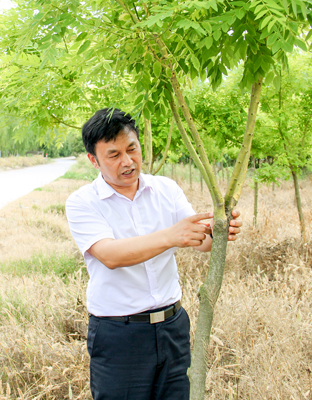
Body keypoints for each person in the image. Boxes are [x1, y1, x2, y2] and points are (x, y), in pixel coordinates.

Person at [65, 108, 242, 399]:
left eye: (132, 149)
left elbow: (200, 241)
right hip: (119, 334)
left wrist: (217, 230)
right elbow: (110, 255)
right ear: (93, 160)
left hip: (173, 327)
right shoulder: (83, 202)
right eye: (114, 155)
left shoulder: (166, 189)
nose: (127, 161)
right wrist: (171, 236)